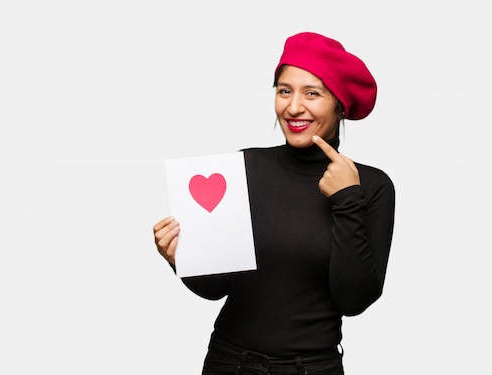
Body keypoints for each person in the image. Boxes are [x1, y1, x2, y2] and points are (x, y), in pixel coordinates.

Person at [153, 31, 395, 375]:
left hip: (312, 368)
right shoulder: (242, 167)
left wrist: (347, 200)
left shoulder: (371, 185)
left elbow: (353, 301)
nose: (293, 107)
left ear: (339, 104)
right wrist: (182, 258)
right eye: (284, 91)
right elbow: (216, 289)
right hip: (229, 363)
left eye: (312, 93)